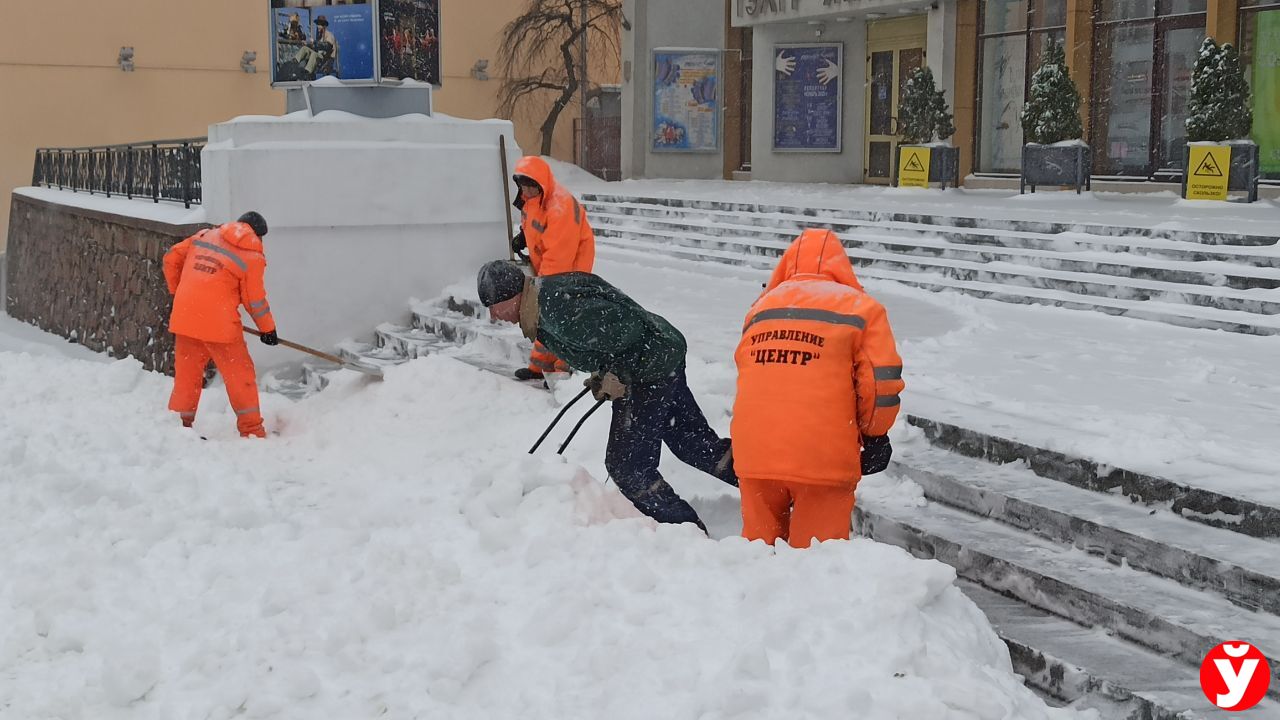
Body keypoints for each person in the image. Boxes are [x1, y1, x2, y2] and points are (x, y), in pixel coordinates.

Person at [477, 260, 736, 529]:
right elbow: (611, 336)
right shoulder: (546, 299)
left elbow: (630, 329)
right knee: (691, 442)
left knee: (628, 467)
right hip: (662, 353)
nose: (494, 316)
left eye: (493, 307)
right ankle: (772, 486)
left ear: (511, 295)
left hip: (650, 369)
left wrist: (618, 374)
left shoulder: (555, 308)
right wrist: (606, 372)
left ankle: (685, 531)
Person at [731, 228, 904, 548]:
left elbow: (749, 372)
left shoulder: (761, 309)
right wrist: (874, 434)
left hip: (755, 454)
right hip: (822, 457)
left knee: (755, 554)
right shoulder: (861, 309)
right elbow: (880, 384)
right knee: (816, 559)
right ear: (842, 267)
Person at [162, 212, 280, 438]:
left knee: (187, 375)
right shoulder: (251, 256)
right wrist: (268, 329)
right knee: (240, 375)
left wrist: (179, 292)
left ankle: (179, 426)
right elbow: (254, 300)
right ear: (259, 234)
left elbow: (171, 258)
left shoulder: (205, 236)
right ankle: (252, 430)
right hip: (220, 326)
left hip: (186, 316)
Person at [508, 156, 596, 382]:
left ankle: (561, 371)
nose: (526, 192)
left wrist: (544, 285)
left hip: (570, 268)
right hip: (547, 267)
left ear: (541, 183)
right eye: (523, 186)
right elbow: (535, 227)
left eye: (530, 186)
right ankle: (539, 366)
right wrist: (523, 238)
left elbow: (559, 255)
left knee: (564, 318)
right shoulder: (531, 199)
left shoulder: (561, 207)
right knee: (546, 318)